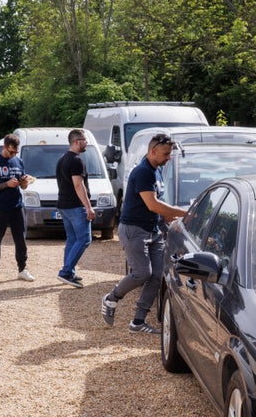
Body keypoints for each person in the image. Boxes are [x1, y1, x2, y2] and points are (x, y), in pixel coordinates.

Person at [101, 132, 189, 334]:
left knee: (157, 275)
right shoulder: (143, 172)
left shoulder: (156, 170)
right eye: (166, 154)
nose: (168, 158)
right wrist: (185, 213)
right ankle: (111, 298)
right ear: (153, 151)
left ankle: (138, 322)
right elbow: (152, 204)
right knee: (142, 272)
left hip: (153, 230)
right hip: (134, 230)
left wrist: (167, 217)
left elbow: (157, 204)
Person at [0, 134, 35, 282]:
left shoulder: (19, 161)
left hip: (17, 206)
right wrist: (6, 184)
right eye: (11, 151)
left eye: (16, 152)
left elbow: (23, 186)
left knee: (21, 239)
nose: (13, 155)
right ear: (4, 147)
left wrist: (24, 182)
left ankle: (22, 269)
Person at [54, 129, 96, 287]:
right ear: (77, 141)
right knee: (85, 239)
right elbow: (79, 185)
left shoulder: (62, 159)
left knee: (72, 239)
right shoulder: (77, 161)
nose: (87, 143)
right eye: (84, 140)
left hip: (64, 205)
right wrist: (88, 207)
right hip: (75, 207)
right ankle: (65, 272)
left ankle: (69, 272)